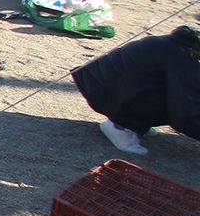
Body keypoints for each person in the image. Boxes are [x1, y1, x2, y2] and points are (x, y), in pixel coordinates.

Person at [73, 25, 200, 155]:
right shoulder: (188, 57)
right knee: (183, 99)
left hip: (101, 82)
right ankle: (121, 126)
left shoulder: (186, 44)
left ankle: (136, 121)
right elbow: (185, 115)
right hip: (104, 89)